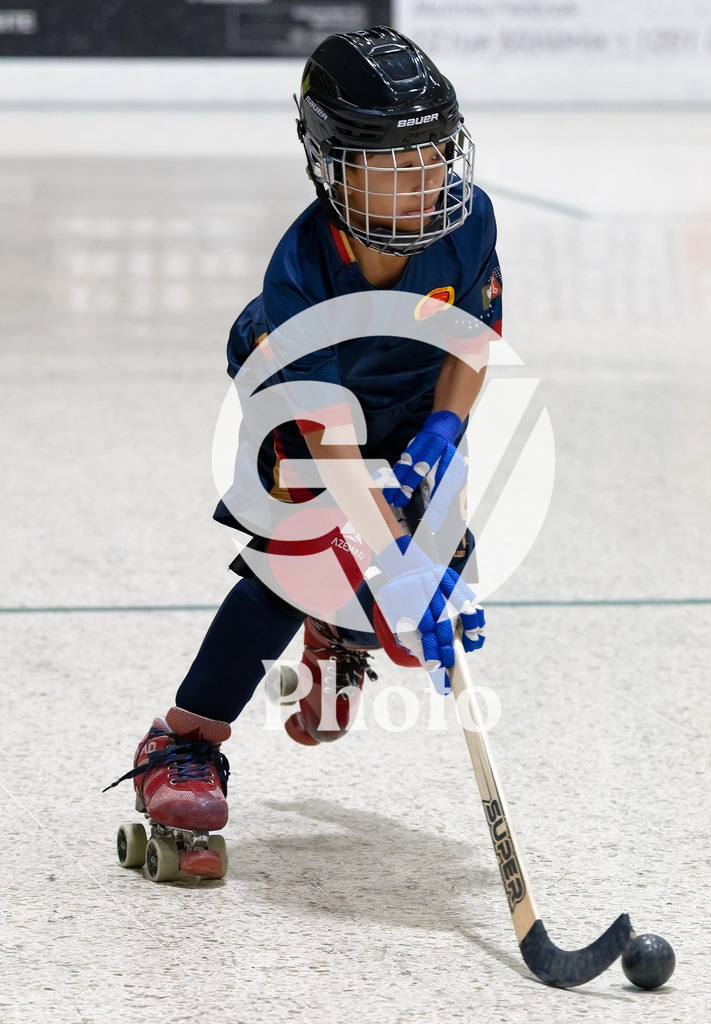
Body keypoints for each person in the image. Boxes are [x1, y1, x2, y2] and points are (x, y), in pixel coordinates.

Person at [106, 25, 503, 879]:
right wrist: (394, 560)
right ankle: (182, 743)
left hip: (406, 402)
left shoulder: (468, 227)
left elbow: (473, 342)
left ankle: (344, 633)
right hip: (300, 409)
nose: (429, 175)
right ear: (338, 167)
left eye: (436, 151)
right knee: (308, 558)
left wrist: (441, 437)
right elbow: (329, 449)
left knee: (429, 558)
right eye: (400, 162)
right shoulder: (301, 277)